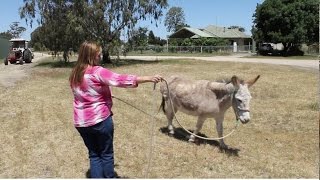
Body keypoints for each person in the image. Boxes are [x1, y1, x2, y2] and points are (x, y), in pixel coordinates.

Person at [69, 41, 162, 178]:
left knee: (94, 155)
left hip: (81, 123)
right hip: (100, 121)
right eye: (98, 54)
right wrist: (148, 78)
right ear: (90, 56)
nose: (100, 56)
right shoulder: (97, 71)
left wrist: (103, 93)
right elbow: (119, 79)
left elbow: (83, 93)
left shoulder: (75, 73)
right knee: (106, 154)